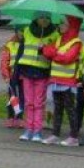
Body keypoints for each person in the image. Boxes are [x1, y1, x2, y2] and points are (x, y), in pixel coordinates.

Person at [15, 11, 60, 143]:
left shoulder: (54, 34)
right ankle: (28, 129)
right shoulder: (27, 31)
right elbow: (21, 50)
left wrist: (45, 49)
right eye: (41, 17)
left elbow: (54, 54)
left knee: (38, 102)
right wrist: (16, 70)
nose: (44, 20)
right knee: (29, 102)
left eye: (47, 18)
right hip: (27, 70)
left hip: (42, 71)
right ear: (36, 18)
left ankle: (37, 130)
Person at [42, 15, 83, 146]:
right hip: (55, 81)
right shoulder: (59, 40)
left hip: (68, 82)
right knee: (57, 109)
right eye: (60, 24)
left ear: (71, 26)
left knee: (70, 109)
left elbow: (67, 58)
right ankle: (55, 134)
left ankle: (74, 137)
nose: (60, 26)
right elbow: (47, 51)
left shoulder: (76, 42)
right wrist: (53, 52)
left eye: (64, 24)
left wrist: (53, 53)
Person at [0, 25, 24, 128]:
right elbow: (4, 61)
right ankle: (10, 117)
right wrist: (6, 75)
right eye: (19, 31)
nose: (21, 33)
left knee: (22, 97)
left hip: (24, 74)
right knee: (12, 97)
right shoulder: (9, 44)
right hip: (13, 74)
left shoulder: (27, 44)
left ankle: (19, 118)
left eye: (23, 31)